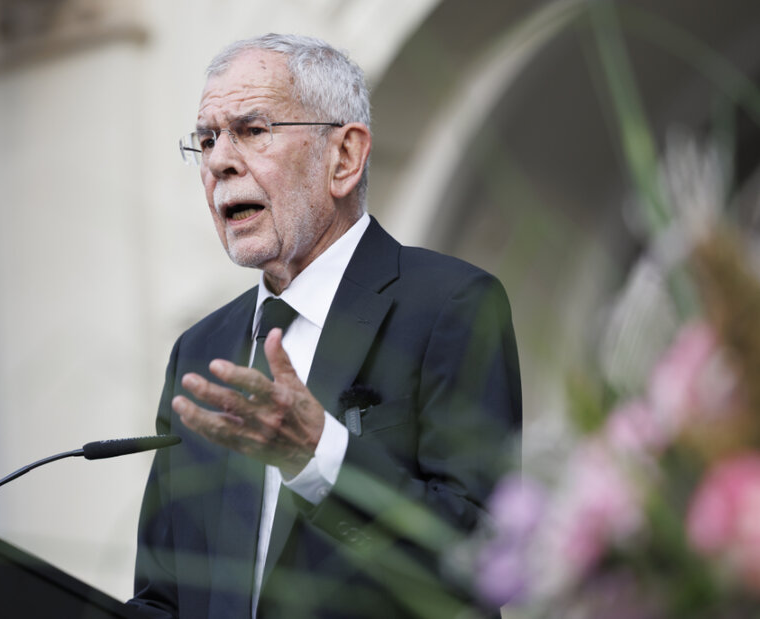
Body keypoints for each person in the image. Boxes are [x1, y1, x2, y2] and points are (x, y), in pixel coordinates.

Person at [128, 33, 521, 619]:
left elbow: (485, 559)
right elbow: (162, 597)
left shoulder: (451, 305)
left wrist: (319, 456)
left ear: (344, 157)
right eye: (206, 140)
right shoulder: (199, 350)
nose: (217, 161)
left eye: (252, 130)